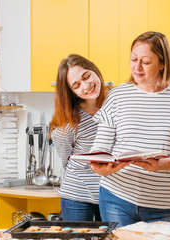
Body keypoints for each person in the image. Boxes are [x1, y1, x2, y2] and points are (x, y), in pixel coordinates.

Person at [90, 31, 170, 227]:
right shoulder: (117, 96)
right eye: (133, 59)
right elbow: (99, 151)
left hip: (168, 206)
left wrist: (162, 164)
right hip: (116, 198)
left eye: (145, 62)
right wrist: (100, 168)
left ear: (162, 63)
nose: (136, 67)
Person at [50, 54, 120, 221]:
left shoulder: (118, 102)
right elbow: (67, 160)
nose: (86, 85)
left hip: (115, 192)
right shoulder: (68, 124)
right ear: (71, 92)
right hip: (78, 194)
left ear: (94, 70)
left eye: (86, 76)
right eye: (76, 85)